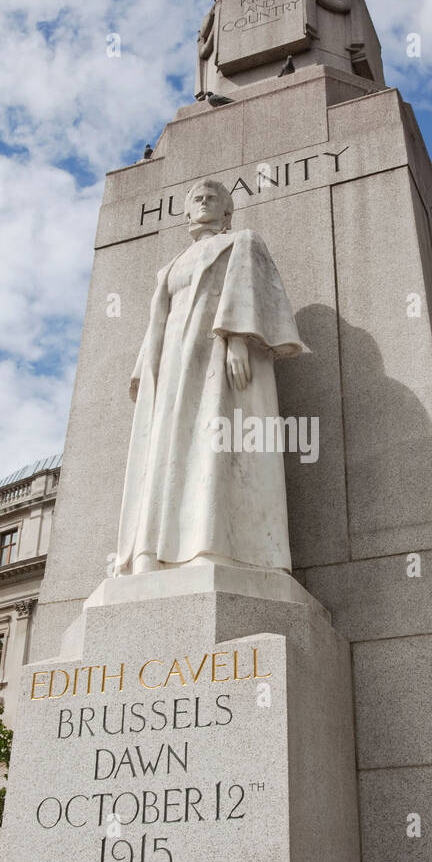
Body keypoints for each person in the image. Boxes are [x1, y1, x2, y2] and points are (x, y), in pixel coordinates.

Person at [115, 179, 305, 576]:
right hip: (172, 365)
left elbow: (249, 292)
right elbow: (157, 324)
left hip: (214, 354)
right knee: (166, 452)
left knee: (212, 448)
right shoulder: (168, 267)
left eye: (212, 199)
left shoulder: (242, 241)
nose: (203, 202)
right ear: (187, 213)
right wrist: (144, 373)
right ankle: (151, 553)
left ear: (227, 213)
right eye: (197, 199)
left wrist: (238, 337)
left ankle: (210, 546)